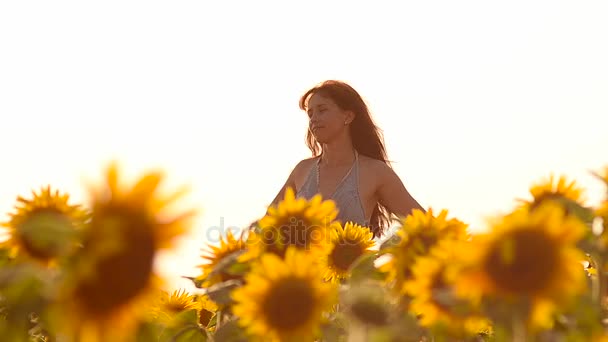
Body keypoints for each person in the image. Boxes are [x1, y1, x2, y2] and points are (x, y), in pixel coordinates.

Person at [269, 80, 425, 238]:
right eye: (310, 114)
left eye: (322, 110)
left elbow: (424, 225)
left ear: (348, 116)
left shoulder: (375, 172)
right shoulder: (302, 170)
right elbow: (265, 226)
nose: (314, 119)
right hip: (302, 263)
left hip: (352, 262)